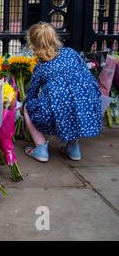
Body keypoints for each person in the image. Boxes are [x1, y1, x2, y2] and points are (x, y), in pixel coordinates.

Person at [23, 22, 102, 162]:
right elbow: (86, 74)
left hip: (57, 112)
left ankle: (40, 148)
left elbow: (31, 94)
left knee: (27, 107)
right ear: (55, 38)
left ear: (33, 45)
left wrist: (23, 104)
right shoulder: (71, 53)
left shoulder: (41, 67)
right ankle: (73, 148)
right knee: (74, 101)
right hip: (86, 107)